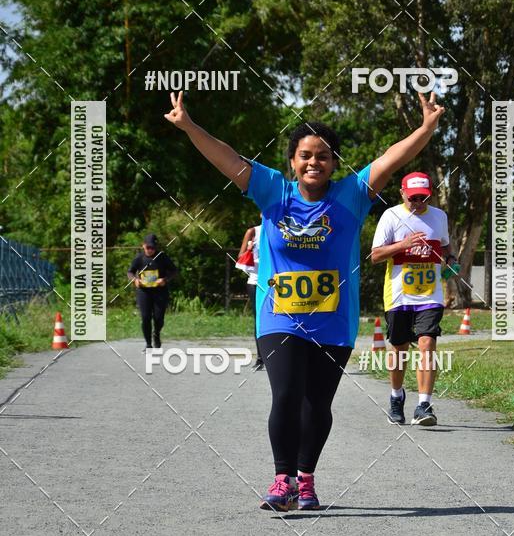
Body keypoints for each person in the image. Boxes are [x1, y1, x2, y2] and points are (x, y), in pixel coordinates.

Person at [165, 90, 444, 511]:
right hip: (278, 317)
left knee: (318, 403)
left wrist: (425, 128)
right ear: (292, 161)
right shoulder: (271, 190)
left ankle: (307, 480)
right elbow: (227, 157)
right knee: (287, 395)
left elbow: (390, 159)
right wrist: (188, 126)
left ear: (334, 163)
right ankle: (282, 481)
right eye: (305, 155)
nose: (314, 162)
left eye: (324, 156)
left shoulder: (352, 194)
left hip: (334, 322)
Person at [371, 173, 458, 427]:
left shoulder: (439, 217)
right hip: (398, 295)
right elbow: (375, 255)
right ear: (402, 194)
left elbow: (444, 247)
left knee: (427, 343)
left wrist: (450, 260)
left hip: (430, 294)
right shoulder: (391, 216)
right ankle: (396, 398)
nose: (418, 202)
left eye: (424, 198)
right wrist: (403, 245)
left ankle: (424, 405)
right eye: (413, 198)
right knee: (399, 350)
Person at [127, 234, 178, 350]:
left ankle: (156, 334)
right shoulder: (139, 258)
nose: (150, 250)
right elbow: (130, 272)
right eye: (148, 247)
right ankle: (148, 344)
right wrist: (135, 280)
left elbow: (174, 271)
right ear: (143, 246)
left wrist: (165, 279)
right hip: (144, 292)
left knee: (159, 318)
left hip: (160, 292)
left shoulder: (162, 257)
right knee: (145, 317)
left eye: (153, 248)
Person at [237, 217, 264, 370]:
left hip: (277, 282)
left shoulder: (283, 230)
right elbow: (240, 257)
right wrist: (248, 250)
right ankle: (260, 358)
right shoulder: (253, 231)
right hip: (256, 281)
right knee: (259, 318)